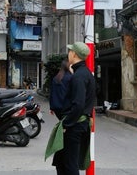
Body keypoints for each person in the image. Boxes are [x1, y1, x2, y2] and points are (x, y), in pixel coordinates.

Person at [52, 42, 96, 175]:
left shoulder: (79, 76)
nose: (68, 53)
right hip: (79, 124)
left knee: (70, 165)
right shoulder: (85, 73)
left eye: (70, 51)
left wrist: (66, 124)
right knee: (61, 162)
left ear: (74, 54)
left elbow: (78, 104)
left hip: (74, 126)